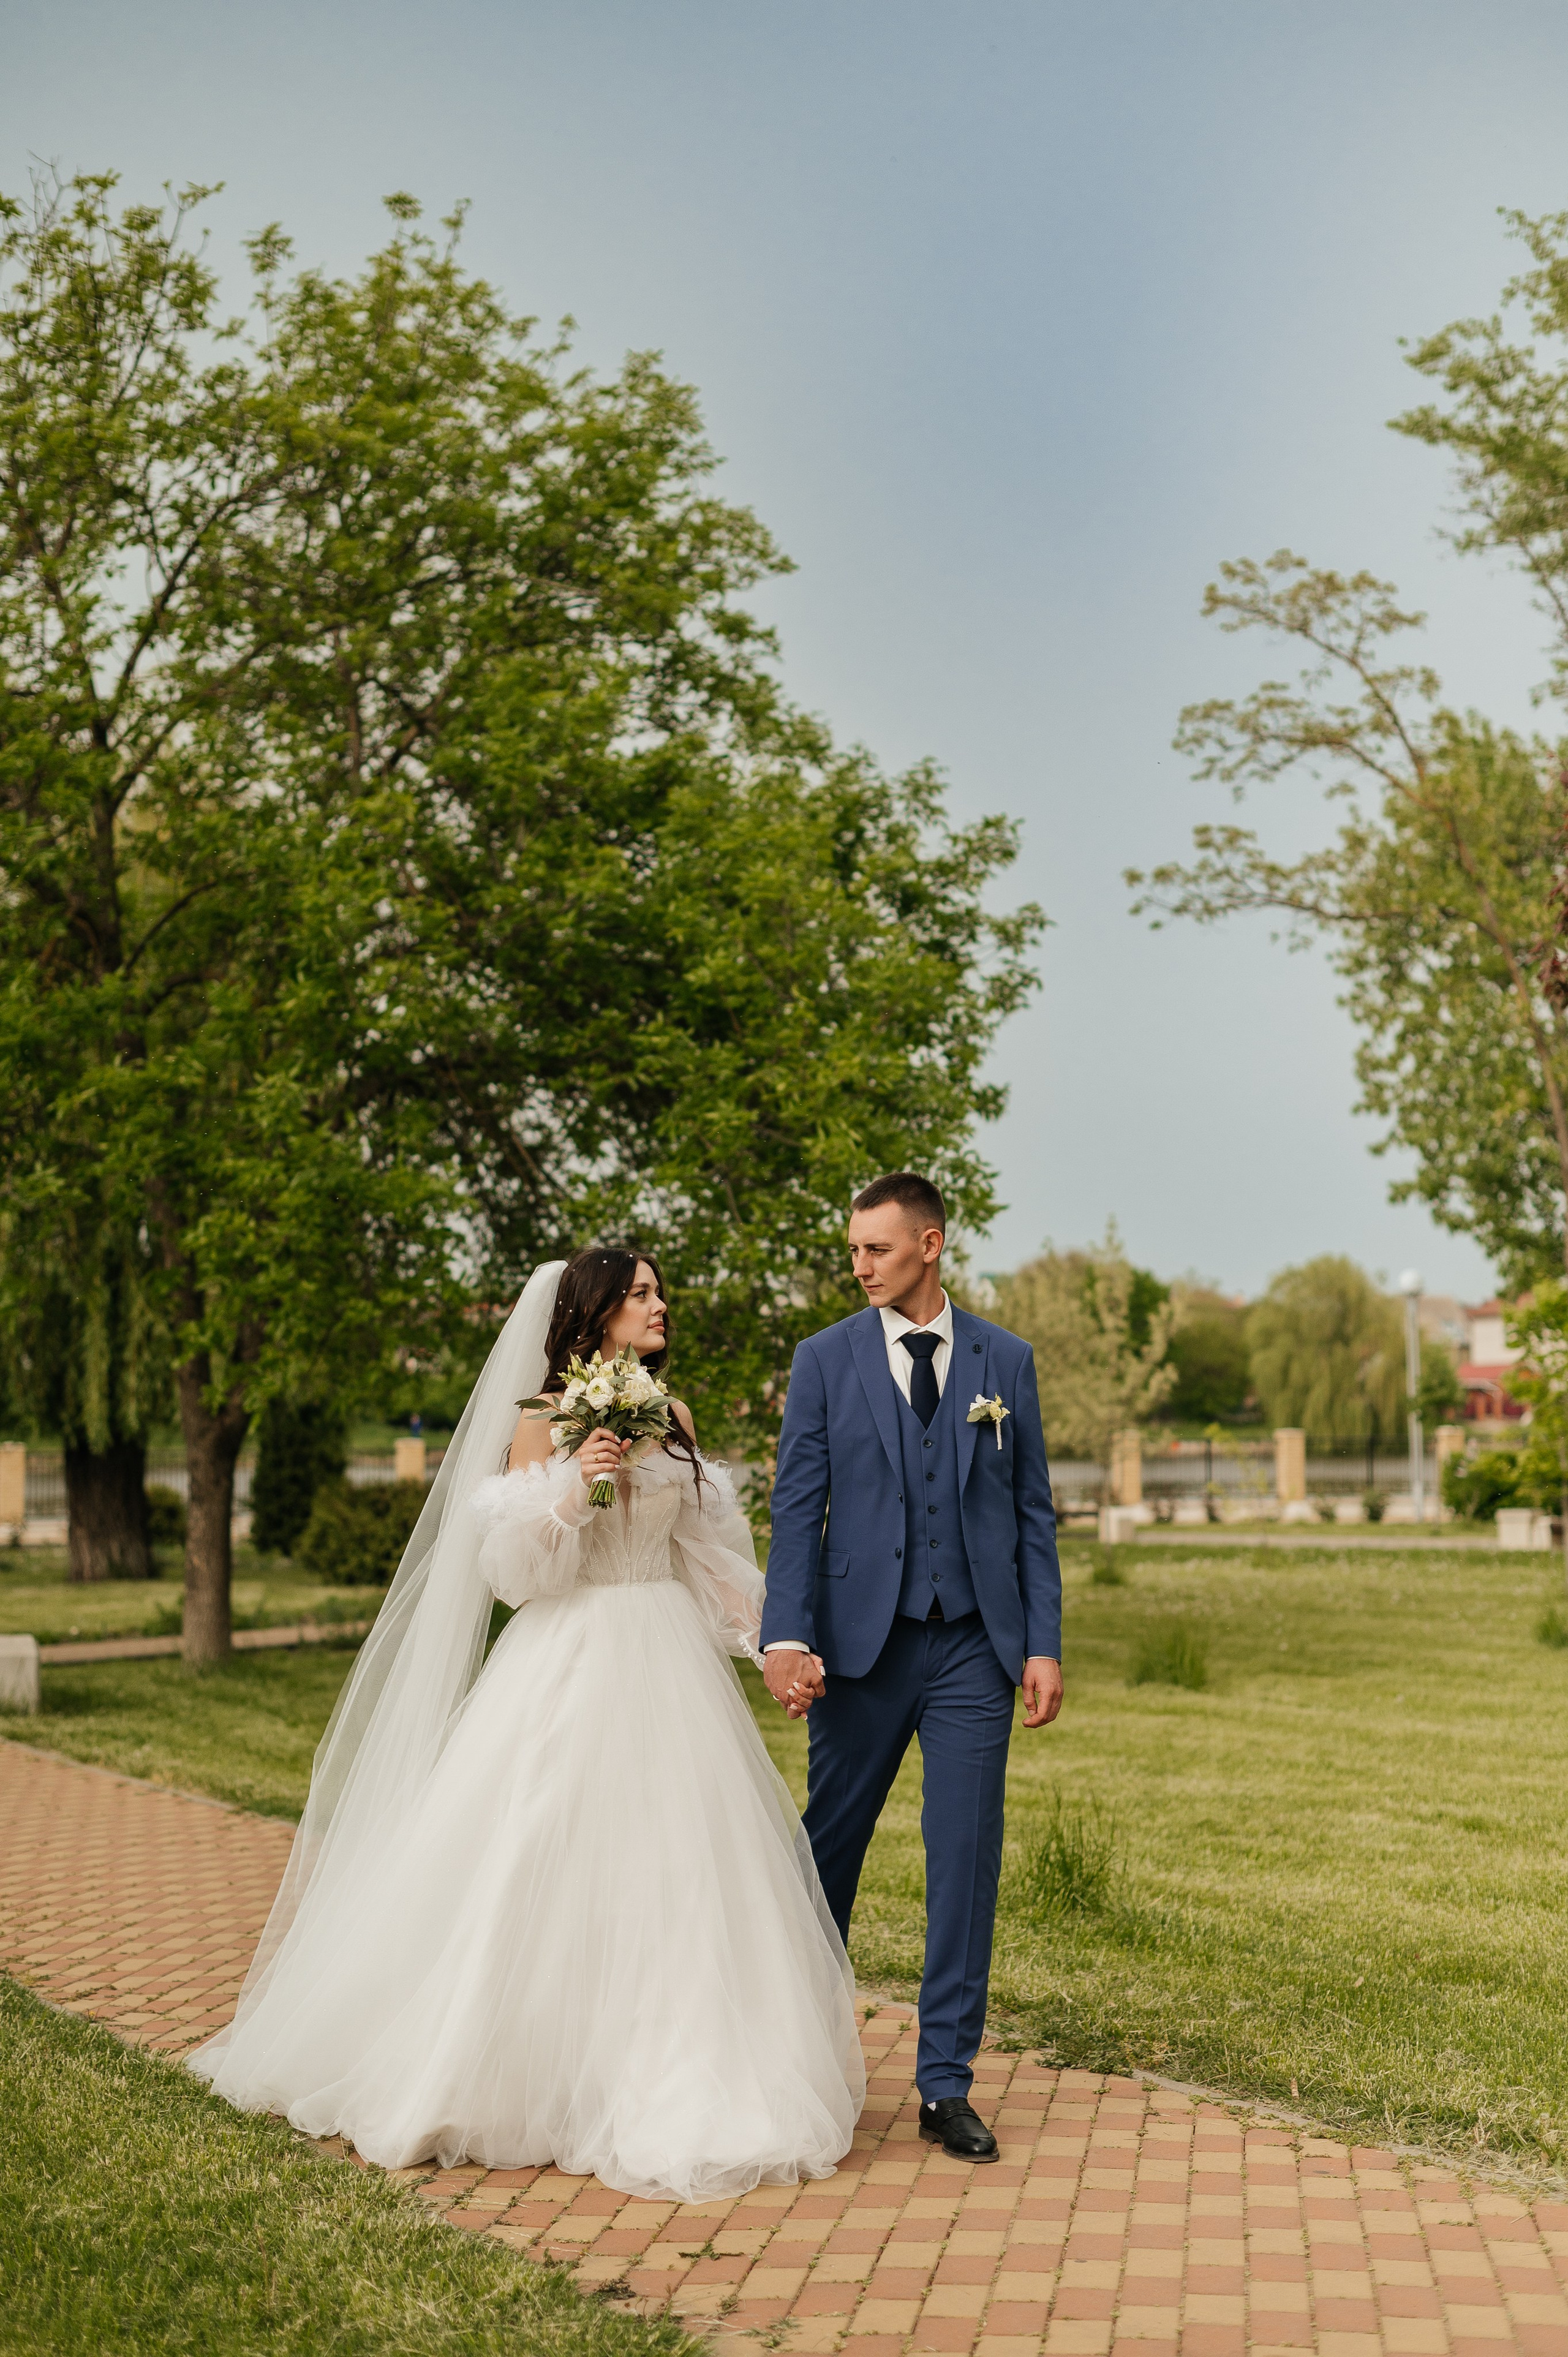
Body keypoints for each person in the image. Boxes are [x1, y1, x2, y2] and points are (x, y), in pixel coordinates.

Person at [190, 1248, 864, 2203]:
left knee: (678, 1867)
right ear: (593, 1318)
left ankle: (681, 2068)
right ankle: (505, 2070)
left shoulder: (673, 1420)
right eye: (641, 1295)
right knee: (534, 1853)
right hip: (569, 1658)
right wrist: (576, 1481)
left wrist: (773, 1648)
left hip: (667, 1659)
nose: (660, 1305)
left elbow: (704, 1558)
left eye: (660, 1291)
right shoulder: (539, 1423)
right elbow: (516, 1577)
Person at [761, 1173, 1062, 2162]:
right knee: (827, 1856)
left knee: (964, 1862)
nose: (859, 1267)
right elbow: (797, 1508)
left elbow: (1030, 1516)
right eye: (853, 1250)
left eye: (877, 1250)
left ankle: (944, 2087)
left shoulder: (1003, 1361)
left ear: (929, 1246)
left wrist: (1043, 1643)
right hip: (860, 1648)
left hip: (976, 1644)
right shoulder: (825, 1360)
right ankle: (791, 2059)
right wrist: (787, 1636)